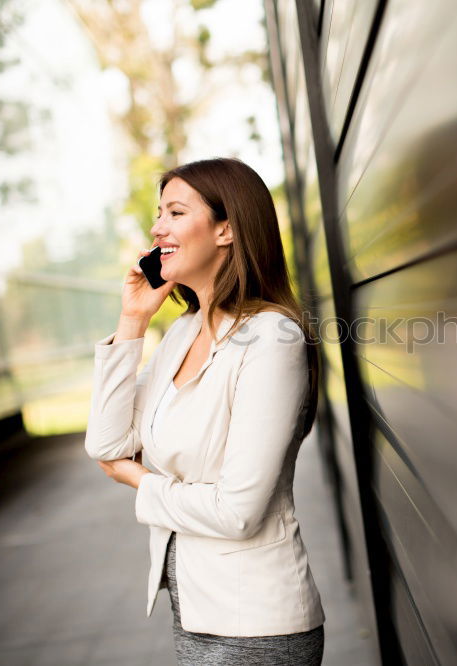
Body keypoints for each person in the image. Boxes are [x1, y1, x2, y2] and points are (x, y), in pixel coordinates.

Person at [84, 157, 325, 665]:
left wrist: (138, 481)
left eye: (174, 212)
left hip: (255, 625)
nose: (157, 228)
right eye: (158, 214)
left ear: (227, 230)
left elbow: (237, 513)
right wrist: (132, 319)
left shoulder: (271, 338)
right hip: (194, 612)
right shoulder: (181, 332)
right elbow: (106, 445)